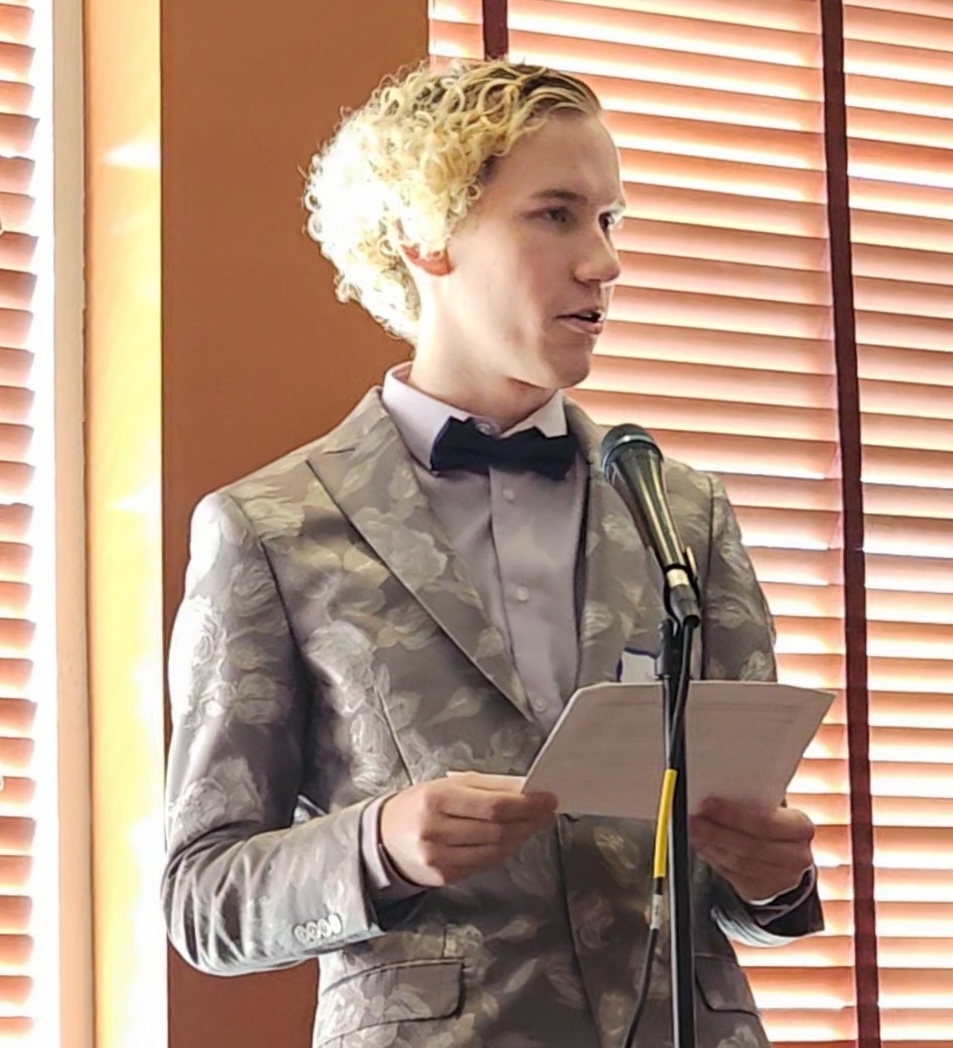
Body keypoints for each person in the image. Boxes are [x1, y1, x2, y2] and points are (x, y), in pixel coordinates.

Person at [162, 58, 823, 1048]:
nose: (602, 262)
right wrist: (376, 843)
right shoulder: (270, 526)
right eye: (556, 215)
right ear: (422, 236)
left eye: (609, 220)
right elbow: (200, 897)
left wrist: (772, 880)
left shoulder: (684, 512)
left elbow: (735, 876)